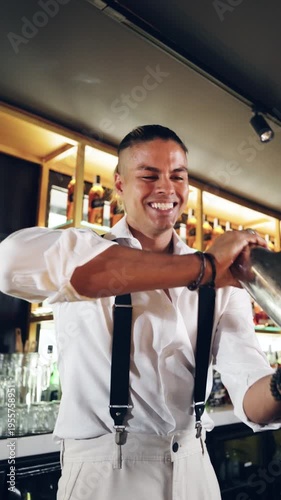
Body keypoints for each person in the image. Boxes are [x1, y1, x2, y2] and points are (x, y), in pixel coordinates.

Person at [0, 124, 281, 500]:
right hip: (105, 475)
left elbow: (252, 397)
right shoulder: (85, 248)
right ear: (118, 185)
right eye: (149, 176)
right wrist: (207, 267)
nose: (166, 188)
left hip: (194, 470)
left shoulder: (223, 284)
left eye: (178, 177)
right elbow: (9, 262)